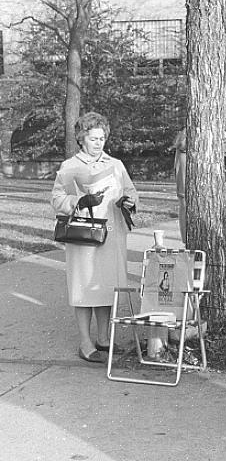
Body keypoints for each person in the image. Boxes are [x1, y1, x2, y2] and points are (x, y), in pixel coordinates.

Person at [51, 112, 138, 363]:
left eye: (101, 138)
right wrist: (79, 201)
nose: (99, 143)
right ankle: (85, 342)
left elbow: (131, 191)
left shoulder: (116, 164)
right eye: (93, 138)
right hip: (83, 238)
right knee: (84, 287)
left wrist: (129, 201)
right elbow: (56, 199)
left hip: (111, 236)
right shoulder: (71, 167)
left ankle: (103, 338)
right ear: (81, 139)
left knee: (106, 286)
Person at [173, 127, 187, 244]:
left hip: (183, 185)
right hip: (184, 185)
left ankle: (186, 239)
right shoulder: (183, 149)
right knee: (184, 207)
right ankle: (186, 239)